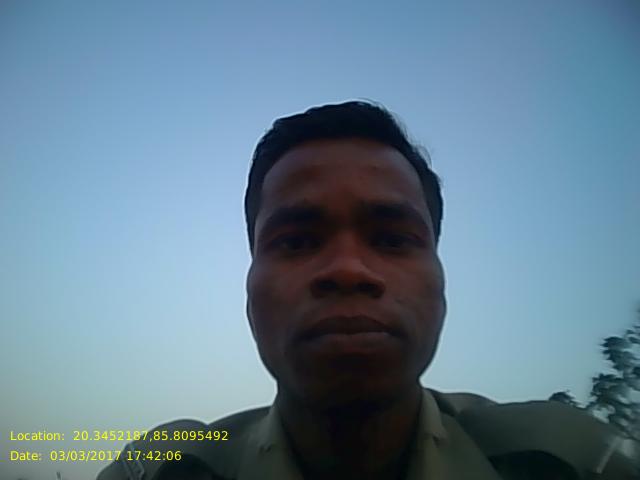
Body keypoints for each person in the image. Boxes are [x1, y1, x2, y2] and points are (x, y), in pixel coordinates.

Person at [97, 101, 636, 480]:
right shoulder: (164, 468)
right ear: (250, 287)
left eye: (393, 239)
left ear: (441, 281)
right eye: (296, 241)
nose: (348, 269)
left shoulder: (573, 459)